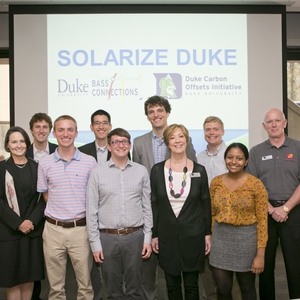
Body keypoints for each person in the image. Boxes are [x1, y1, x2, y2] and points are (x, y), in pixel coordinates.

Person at [132, 95, 197, 300]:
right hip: (149, 206)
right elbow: (137, 174)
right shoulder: (139, 142)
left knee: (181, 265)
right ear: (147, 116)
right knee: (149, 264)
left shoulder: (183, 140)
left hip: (178, 209)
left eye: (160, 110)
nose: (156, 115)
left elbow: (192, 169)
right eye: (151, 112)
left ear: (167, 112)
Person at [86, 128, 153, 299]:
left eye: (124, 141)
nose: (120, 145)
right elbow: (91, 211)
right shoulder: (97, 172)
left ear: (130, 145)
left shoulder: (141, 171)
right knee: (113, 290)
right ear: (109, 146)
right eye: (116, 142)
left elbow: (147, 207)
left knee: (135, 289)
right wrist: (95, 244)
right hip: (107, 238)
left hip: (135, 236)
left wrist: (147, 238)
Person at [37, 115, 96, 300]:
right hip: (53, 230)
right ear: (54, 133)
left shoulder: (89, 162)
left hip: (81, 230)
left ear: (76, 133)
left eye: (70, 129)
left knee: (85, 286)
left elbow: (94, 196)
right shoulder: (45, 163)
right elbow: (45, 194)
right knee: (55, 288)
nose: (65, 134)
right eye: (60, 130)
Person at [151, 124, 212, 300]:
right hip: (167, 236)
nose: (177, 141)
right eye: (172, 137)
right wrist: (154, 234)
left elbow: (205, 203)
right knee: (172, 285)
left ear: (187, 140)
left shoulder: (199, 170)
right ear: (167, 143)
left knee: (192, 285)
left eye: (181, 136)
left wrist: (207, 233)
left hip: (193, 235)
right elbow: (154, 203)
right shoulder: (157, 170)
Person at [246, 108, 300, 300]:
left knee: (295, 264)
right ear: (264, 126)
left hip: (293, 213)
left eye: (278, 120)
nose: (274, 124)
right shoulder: (256, 151)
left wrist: (285, 208)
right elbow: (252, 186)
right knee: (265, 265)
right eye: (269, 122)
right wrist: (271, 209)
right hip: (264, 215)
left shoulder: (298, 148)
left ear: (285, 123)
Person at [210, 142, 268, 300]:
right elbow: (212, 213)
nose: (233, 161)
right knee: (222, 289)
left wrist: (260, 255)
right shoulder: (216, 183)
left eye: (239, 158)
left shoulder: (256, 185)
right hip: (220, 241)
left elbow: (263, 222)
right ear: (225, 159)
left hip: (246, 242)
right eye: (230, 157)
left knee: (247, 288)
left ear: (246, 161)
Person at [197, 116, 241, 300]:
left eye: (215, 129)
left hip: (230, 217)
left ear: (223, 132)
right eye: (208, 129)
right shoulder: (198, 157)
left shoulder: (232, 155)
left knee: (233, 261)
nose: (212, 133)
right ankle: (211, 296)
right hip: (205, 216)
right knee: (207, 259)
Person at [0, 126, 46, 300]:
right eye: (14, 141)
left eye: (21, 141)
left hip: (31, 232)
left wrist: (30, 221)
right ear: (8, 145)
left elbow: (43, 199)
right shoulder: (1, 168)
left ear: (27, 143)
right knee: (12, 279)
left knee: (28, 278)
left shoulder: (37, 167)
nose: (18, 145)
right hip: (9, 232)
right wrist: (18, 223)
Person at [27, 112, 57, 300]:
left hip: (56, 214)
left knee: (57, 264)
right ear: (31, 130)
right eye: (37, 127)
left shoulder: (58, 150)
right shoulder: (22, 152)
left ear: (50, 130)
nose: (41, 130)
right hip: (30, 215)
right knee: (33, 260)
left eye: (45, 127)